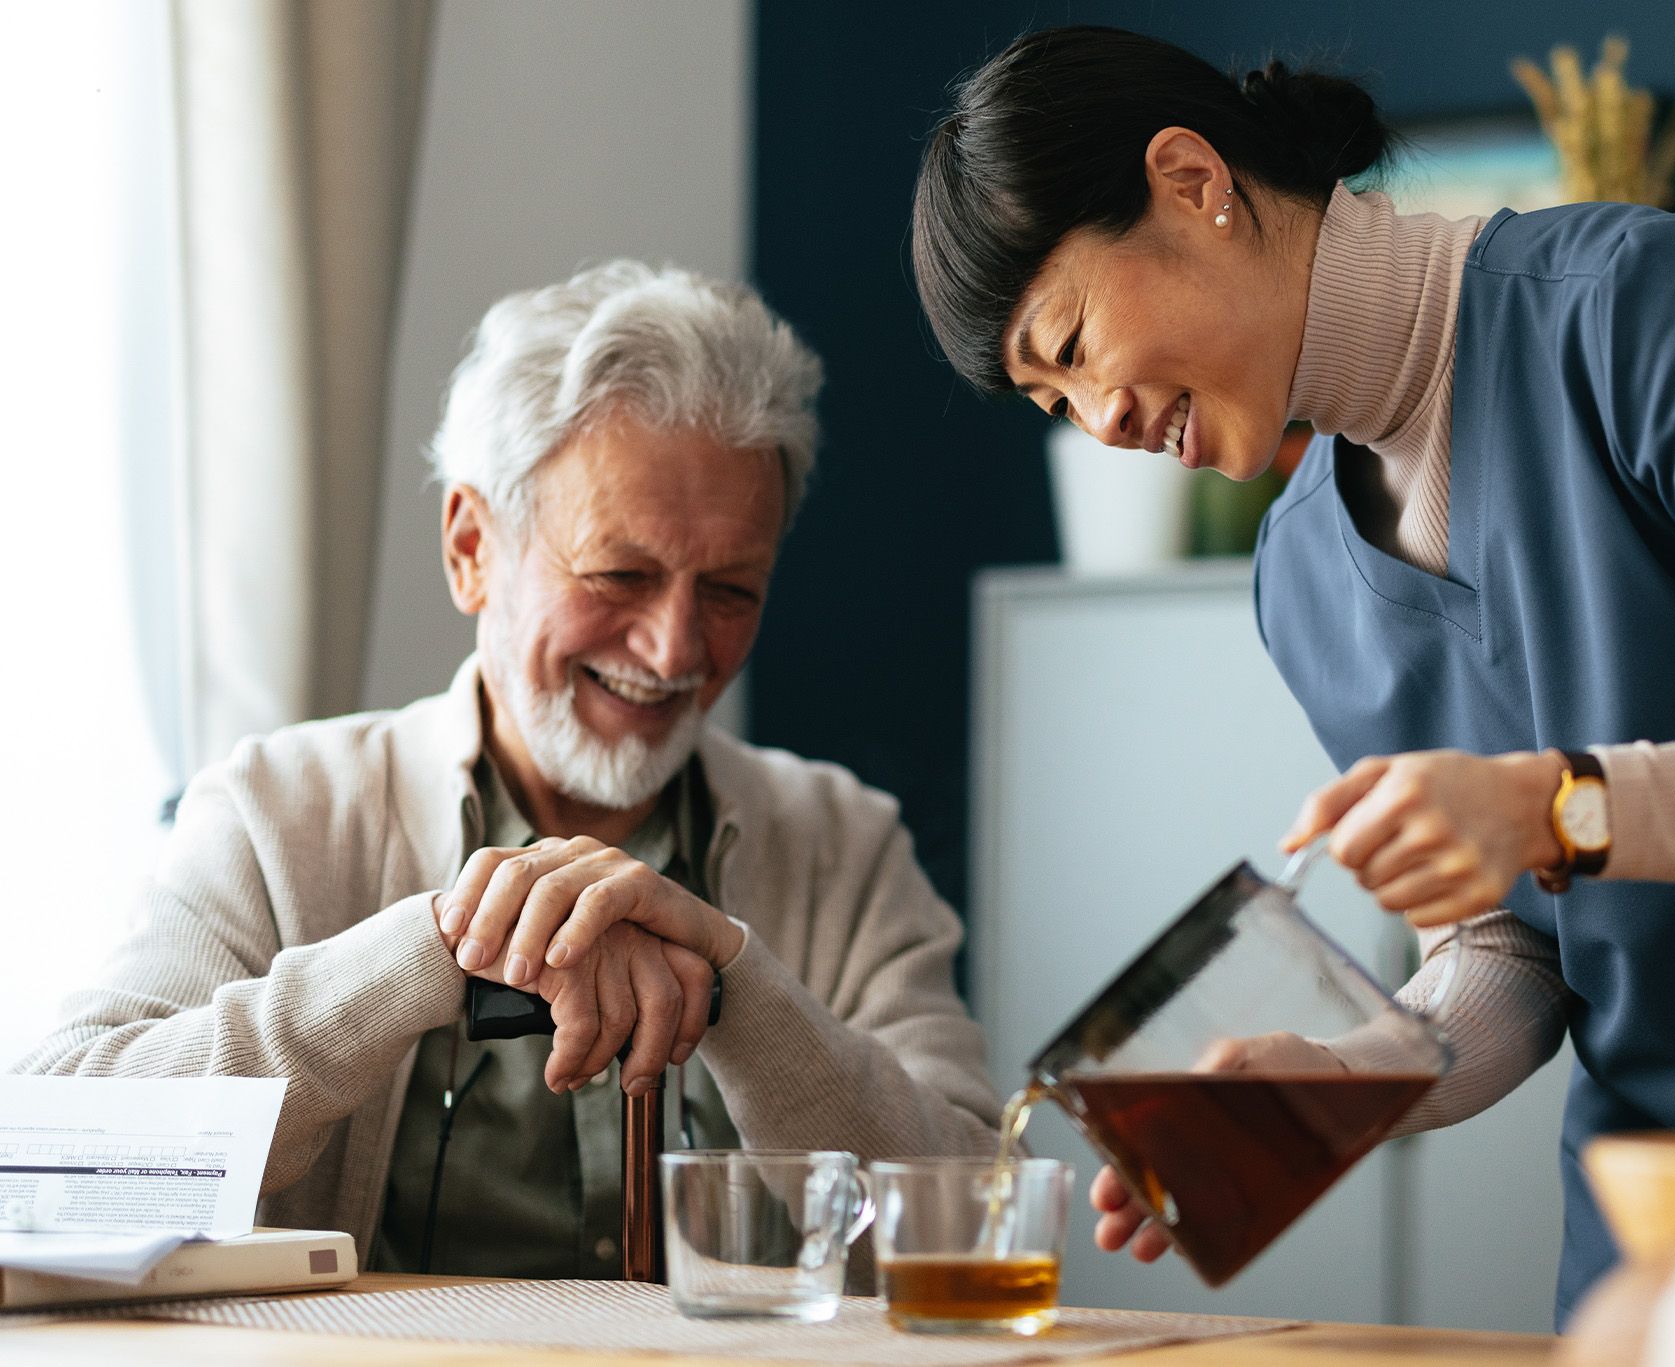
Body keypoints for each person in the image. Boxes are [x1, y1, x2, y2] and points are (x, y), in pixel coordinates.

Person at [903, 24, 1675, 1325]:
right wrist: (1345, 1079)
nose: (1104, 424)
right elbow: (1506, 953)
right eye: (1053, 404)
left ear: (1193, 180)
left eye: (1074, 344)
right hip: (1651, 1224)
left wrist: (1553, 806)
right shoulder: (1301, 575)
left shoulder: (1639, 311)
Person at [16, 261, 1002, 1277]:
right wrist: (430, 948)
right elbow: (50, 1159)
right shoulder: (277, 812)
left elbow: (975, 1226)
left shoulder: (841, 842)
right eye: (620, 574)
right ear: (471, 547)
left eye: (729, 589)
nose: (673, 651)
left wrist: (740, 992)